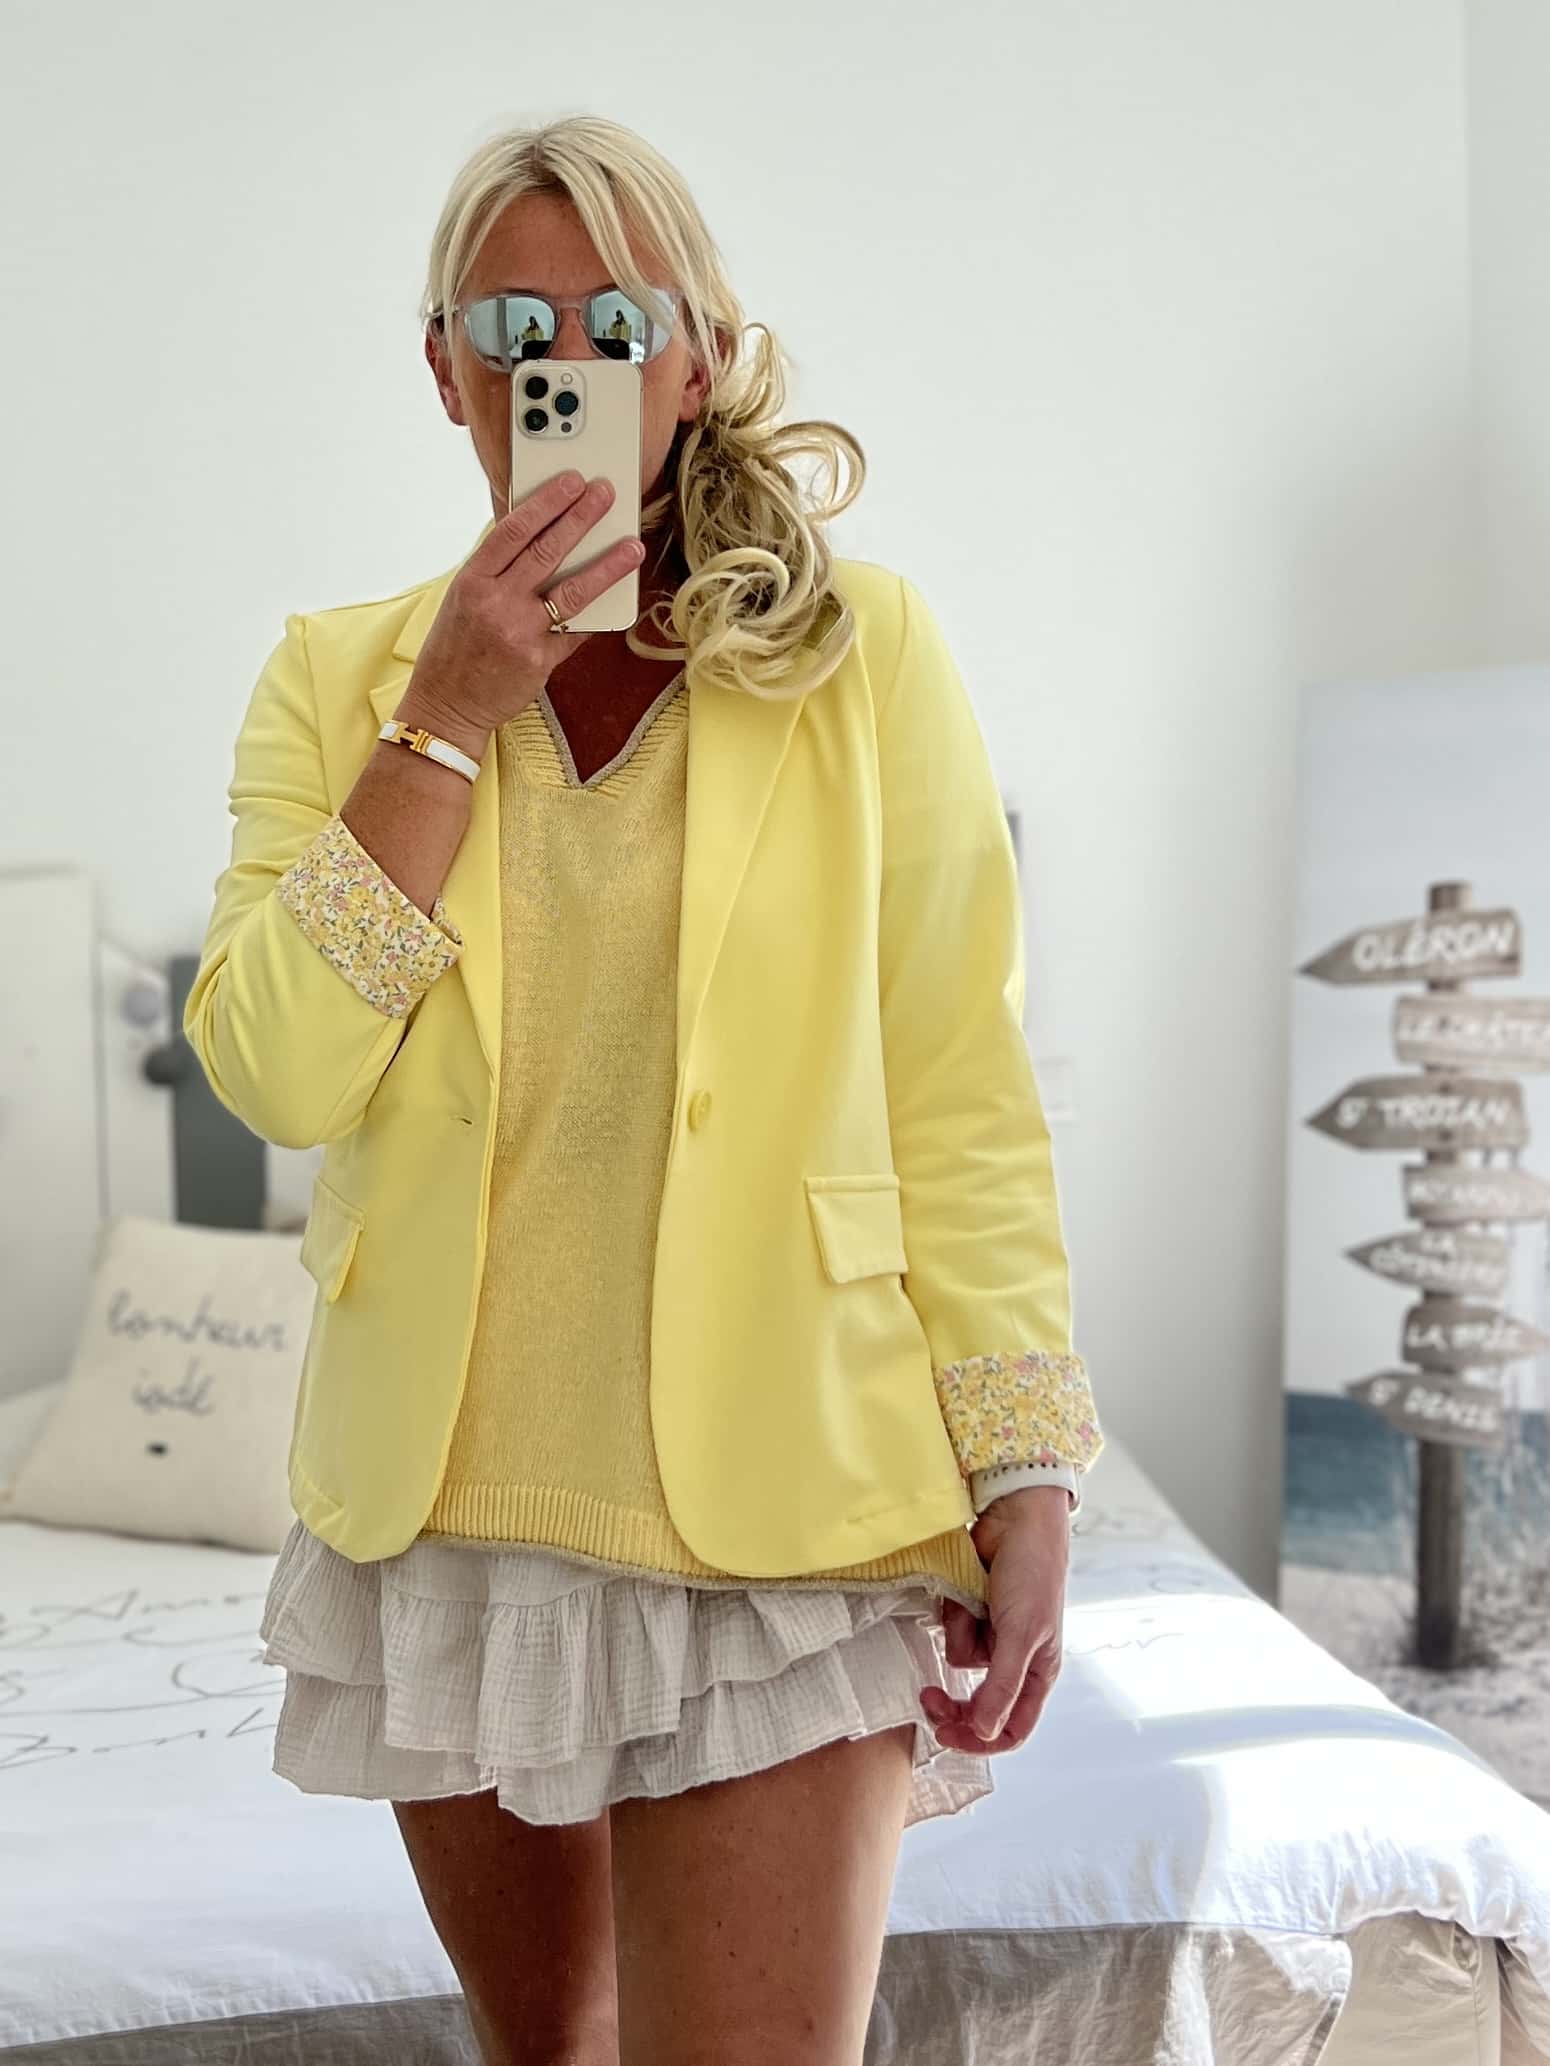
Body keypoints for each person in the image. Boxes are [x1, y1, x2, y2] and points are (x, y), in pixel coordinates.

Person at [184, 112, 1104, 2066]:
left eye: (619, 322)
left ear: (696, 360)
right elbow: (275, 1066)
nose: (566, 363)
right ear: (444, 370)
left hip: (792, 1517)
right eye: (513, 325)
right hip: (454, 1521)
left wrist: (1026, 1465)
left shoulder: (861, 658)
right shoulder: (338, 679)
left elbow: (956, 1085)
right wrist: (447, 714)